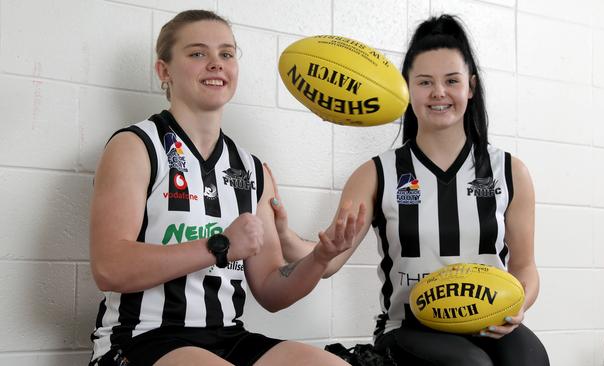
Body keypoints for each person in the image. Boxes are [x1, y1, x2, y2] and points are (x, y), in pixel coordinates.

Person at [268, 15, 550, 365]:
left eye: (451, 81)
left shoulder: (510, 172)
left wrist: (518, 303)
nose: (438, 93)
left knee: (531, 358)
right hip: (408, 327)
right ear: (406, 88)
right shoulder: (376, 174)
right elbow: (328, 260)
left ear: (471, 87)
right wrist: (283, 235)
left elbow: (526, 268)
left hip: (488, 322)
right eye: (425, 82)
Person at [88, 10, 363, 366]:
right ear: (164, 71)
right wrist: (219, 246)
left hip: (227, 337)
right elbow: (109, 268)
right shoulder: (135, 146)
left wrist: (318, 259)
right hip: (141, 337)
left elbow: (270, 289)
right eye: (198, 53)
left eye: (227, 54)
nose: (216, 64)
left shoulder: (251, 169)